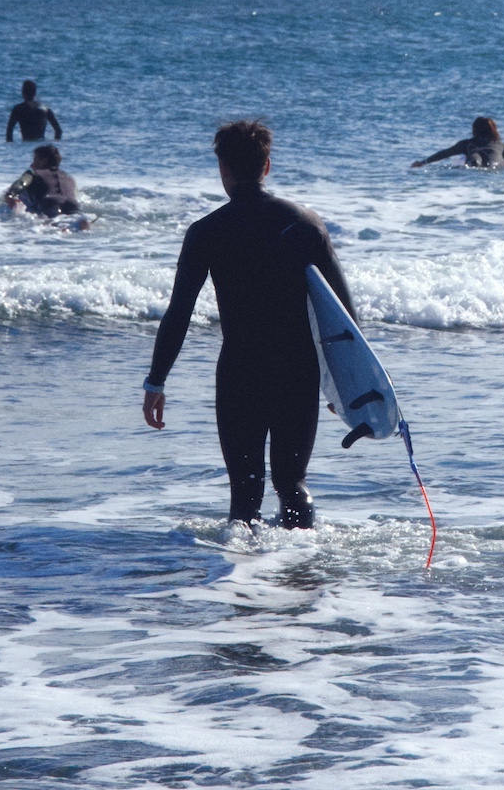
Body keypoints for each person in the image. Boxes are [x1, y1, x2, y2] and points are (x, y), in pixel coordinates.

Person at [142, 120, 355, 530]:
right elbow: (343, 311)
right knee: (292, 483)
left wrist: (156, 382)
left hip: (241, 370)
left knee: (245, 491)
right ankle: (301, 567)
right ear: (267, 166)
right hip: (298, 369)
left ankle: (244, 580)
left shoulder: (206, 231)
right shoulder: (306, 224)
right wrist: (344, 383)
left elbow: (179, 312)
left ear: (223, 170)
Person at [5, 144, 86, 222]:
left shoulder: (32, 174)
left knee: (54, 223)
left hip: (48, 203)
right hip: (72, 204)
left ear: (43, 161)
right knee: (77, 222)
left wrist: (10, 196)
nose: (31, 165)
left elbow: (19, 185)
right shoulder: (69, 178)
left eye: (34, 160)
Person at [411, 116, 504, 169]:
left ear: (475, 130)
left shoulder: (467, 144)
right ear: (494, 130)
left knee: (473, 164)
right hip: (494, 170)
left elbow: (444, 153)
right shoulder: (501, 146)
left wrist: (423, 162)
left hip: (472, 170)